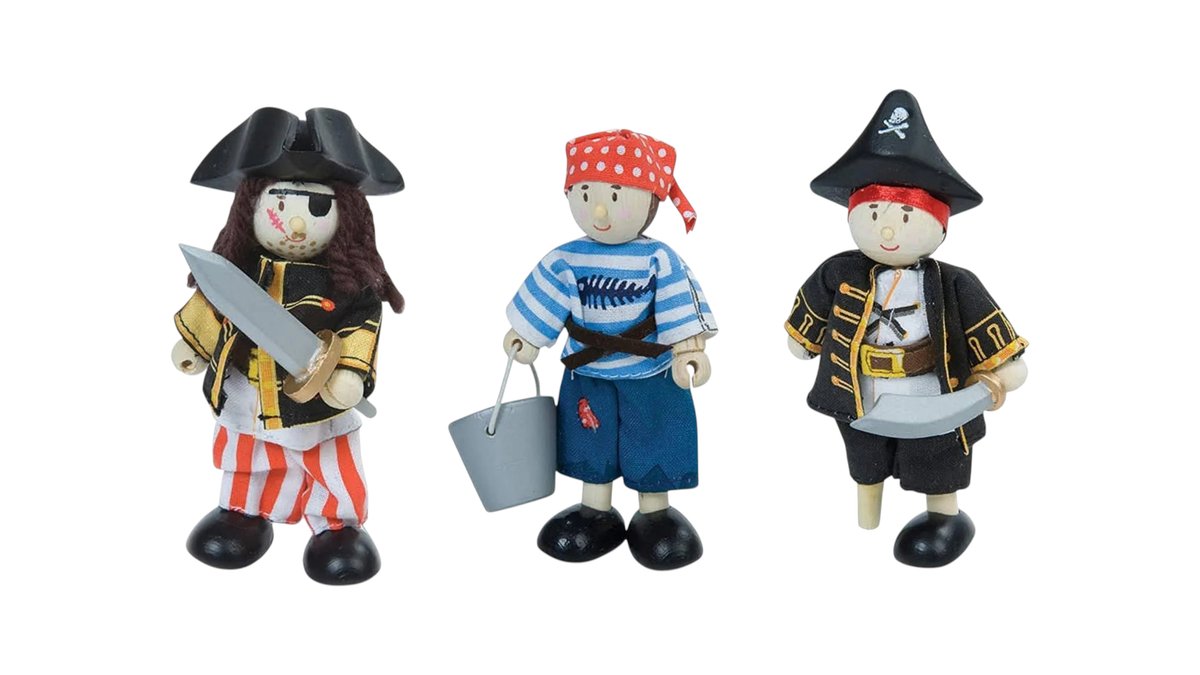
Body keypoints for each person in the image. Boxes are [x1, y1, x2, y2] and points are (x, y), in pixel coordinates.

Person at [786, 91, 1029, 567]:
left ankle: (943, 516)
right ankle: (868, 512)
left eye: (903, 216)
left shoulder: (952, 282)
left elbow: (986, 327)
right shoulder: (840, 271)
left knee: (937, 455)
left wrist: (1003, 370)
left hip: (928, 391)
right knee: (865, 454)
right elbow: (813, 308)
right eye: (874, 214)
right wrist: (803, 338)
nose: (887, 231)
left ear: (938, 225)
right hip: (860, 389)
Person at [172, 108, 404, 584]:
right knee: (247, 454)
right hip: (248, 392)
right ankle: (243, 511)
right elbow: (214, 307)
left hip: (318, 401)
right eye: (280, 205)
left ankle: (337, 526)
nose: (296, 228)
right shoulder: (236, 274)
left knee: (328, 461)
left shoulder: (345, 286)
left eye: (316, 208)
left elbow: (361, 325)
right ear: (251, 207)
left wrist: (350, 372)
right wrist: (194, 343)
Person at [504, 130, 716, 570]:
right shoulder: (566, 259)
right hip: (589, 375)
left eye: (615, 195)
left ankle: (654, 512)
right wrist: (526, 335)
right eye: (585, 194)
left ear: (649, 200)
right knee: (590, 440)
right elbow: (545, 303)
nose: (598, 210)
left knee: (653, 437)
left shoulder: (659, 258)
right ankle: (595, 508)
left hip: (651, 375)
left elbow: (678, 304)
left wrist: (688, 350)